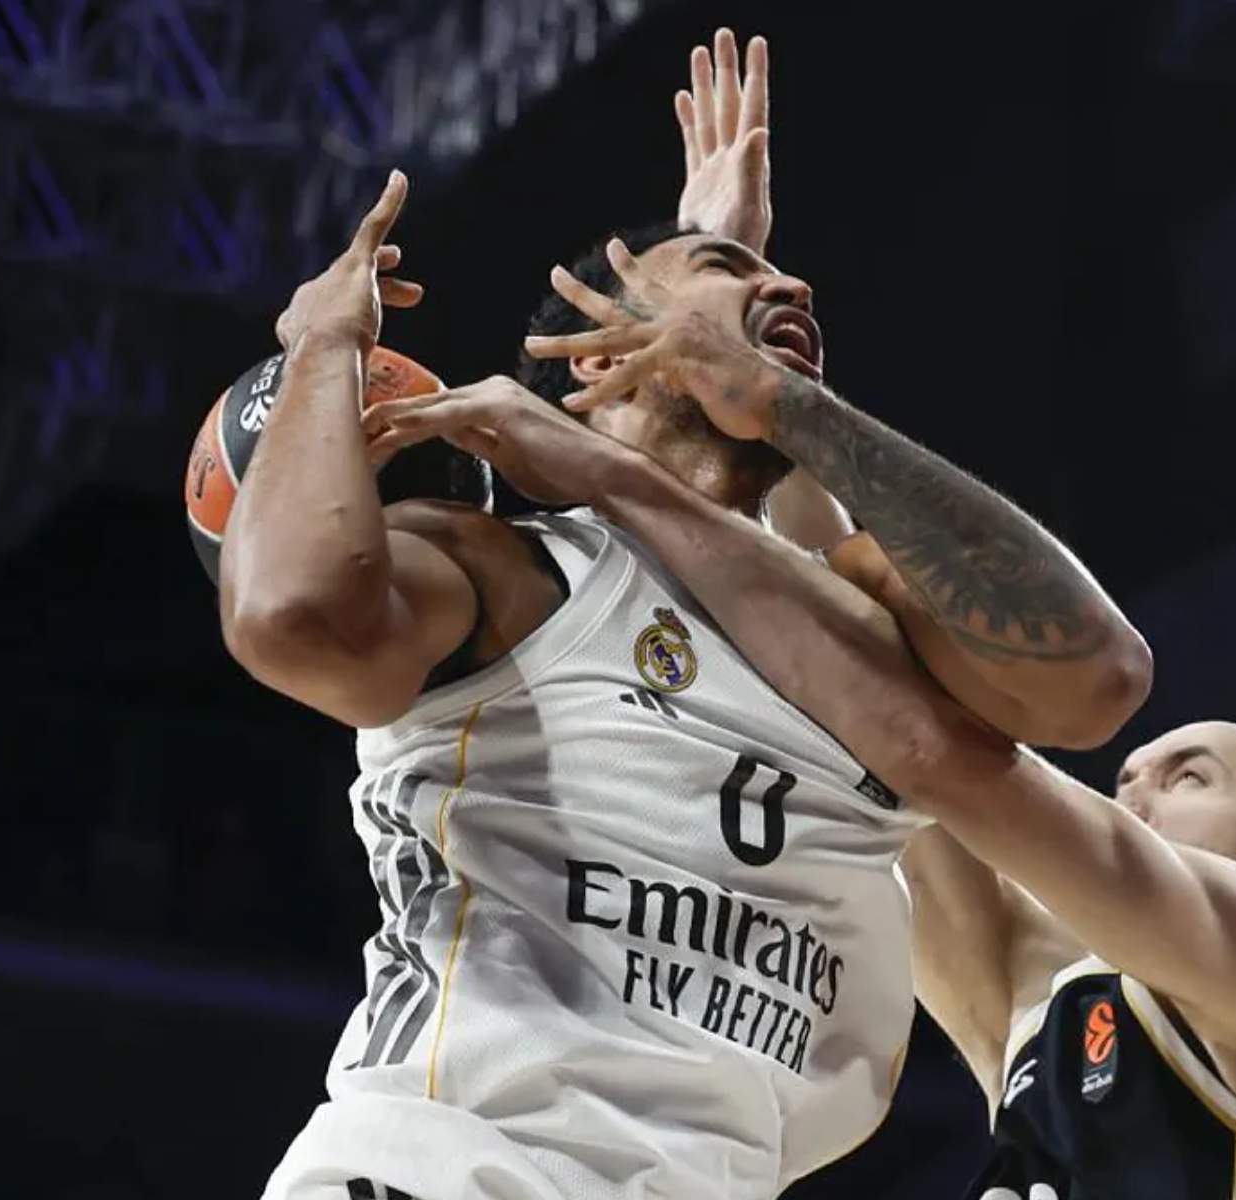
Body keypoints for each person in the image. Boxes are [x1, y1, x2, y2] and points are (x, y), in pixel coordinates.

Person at [386, 52, 1236, 1198]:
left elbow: (931, 746)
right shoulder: (1032, 998)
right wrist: (722, 319)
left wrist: (681, 435)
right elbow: (836, 652)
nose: (1132, 783)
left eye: (1187, 774)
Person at [223, 30, 1150, 1200]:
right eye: (731, 268)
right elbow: (291, 621)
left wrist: (778, 393)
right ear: (590, 362)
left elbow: (1093, 676)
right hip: (453, 1172)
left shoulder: (850, 614)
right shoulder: (506, 570)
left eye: (782, 281)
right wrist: (323, 342)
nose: (791, 283)